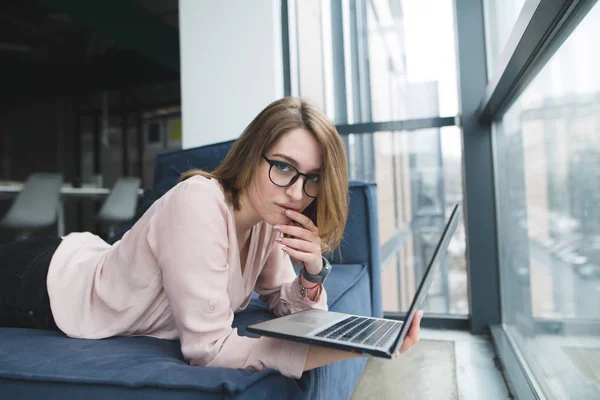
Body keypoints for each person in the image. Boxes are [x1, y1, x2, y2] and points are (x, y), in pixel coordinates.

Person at [0, 97, 422, 379]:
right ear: (251, 155)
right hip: (46, 283)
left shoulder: (264, 219)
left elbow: (282, 301)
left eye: (311, 179)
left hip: (87, 257)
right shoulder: (200, 203)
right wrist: (357, 349)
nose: (297, 192)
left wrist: (313, 270)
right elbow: (208, 351)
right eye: (284, 168)